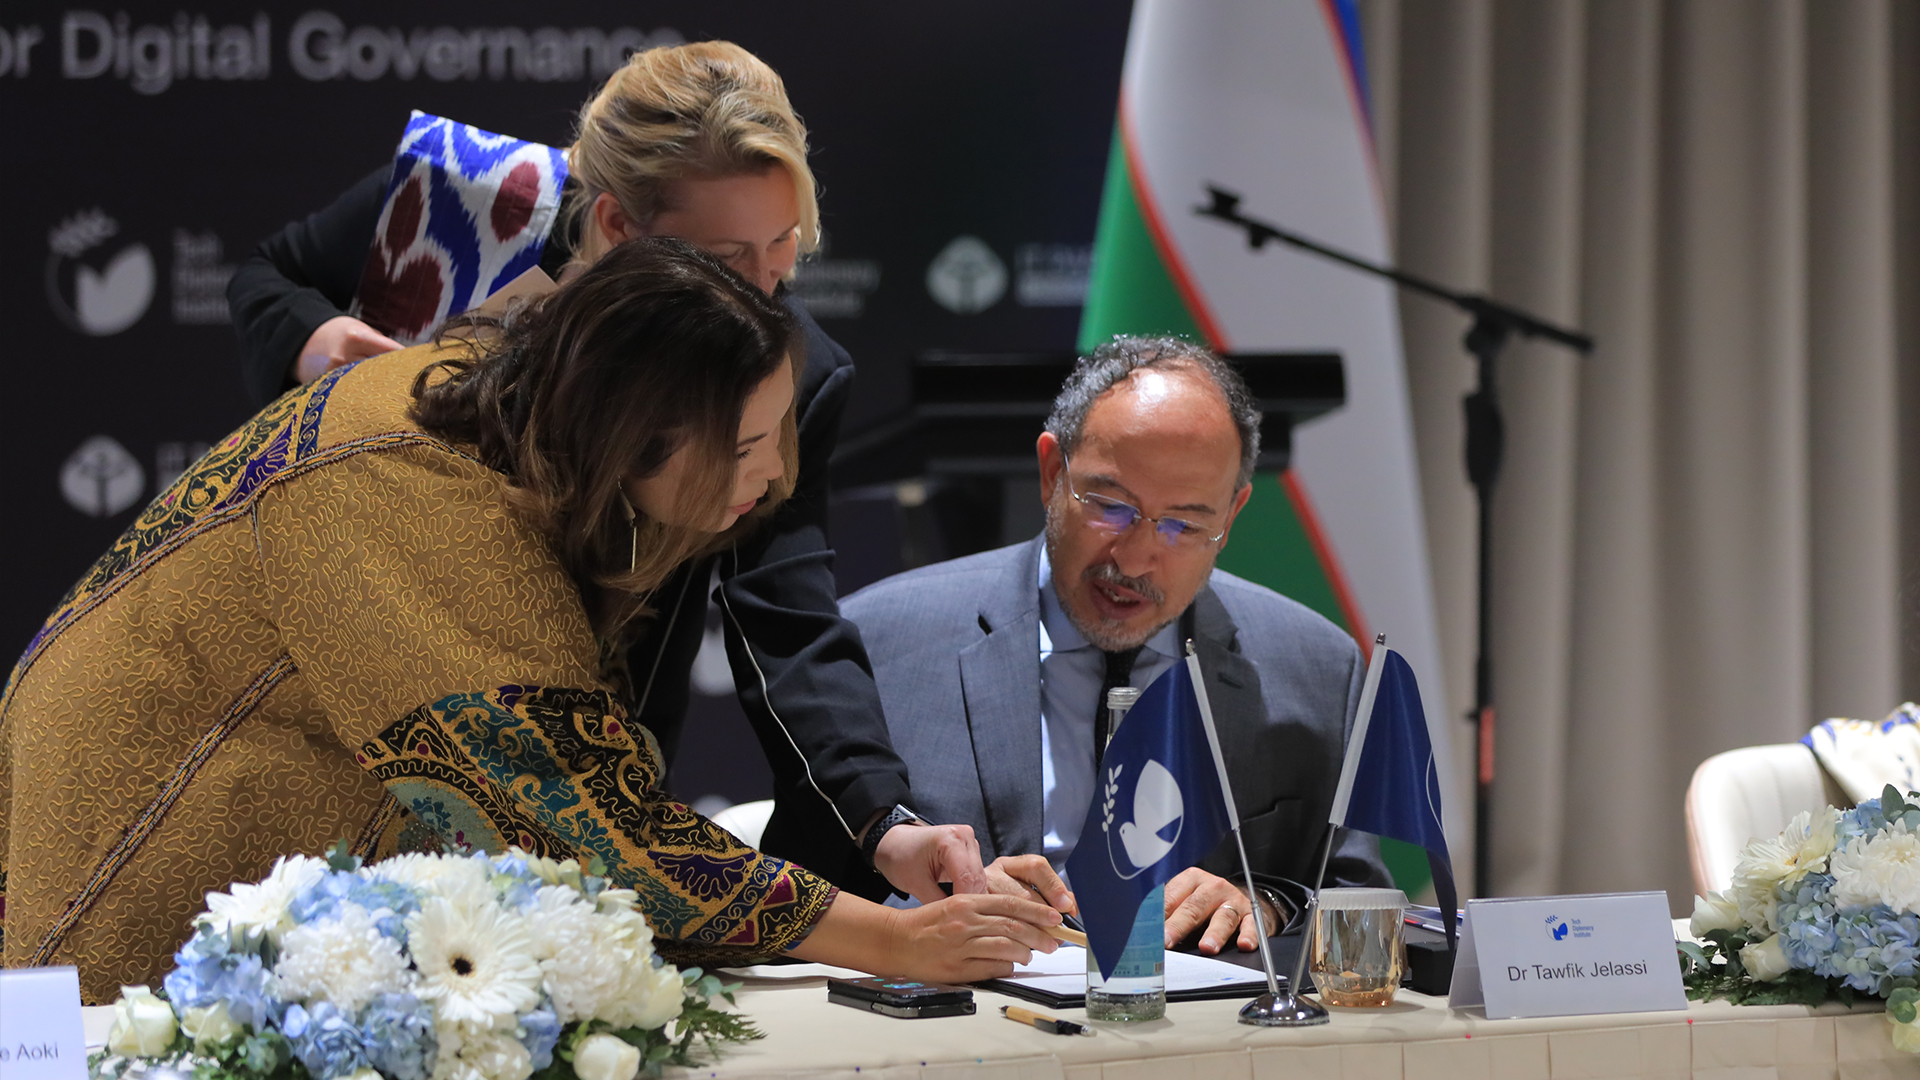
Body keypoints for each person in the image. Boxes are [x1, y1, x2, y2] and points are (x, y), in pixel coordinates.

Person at [0, 240, 1064, 1004]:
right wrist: (898, 942)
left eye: (780, 432)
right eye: (745, 447)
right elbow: (588, 821)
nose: (775, 476)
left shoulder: (514, 412)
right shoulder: (413, 499)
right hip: (122, 884)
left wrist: (894, 879)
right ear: (635, 433)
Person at [225, 41, 969, 900]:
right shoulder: (471, 198)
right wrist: (314, 341)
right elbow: (272, 275)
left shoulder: (788, 379)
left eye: (784, 246)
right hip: (356, 692)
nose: (767, 293)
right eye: (729, 259)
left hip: (573, 763)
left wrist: (882, 824)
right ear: (617, 225)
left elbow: (789, 623)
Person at [840, 335, 1392, 957]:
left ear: (1232, 514)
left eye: (1184, 524)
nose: (1133, 560)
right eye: (1110, 506)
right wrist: (934, 905)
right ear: (1052, 473)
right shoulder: (874, 643)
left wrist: (1270, 903)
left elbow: (1362, 908)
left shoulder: (1319, 667)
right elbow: (797, 891)